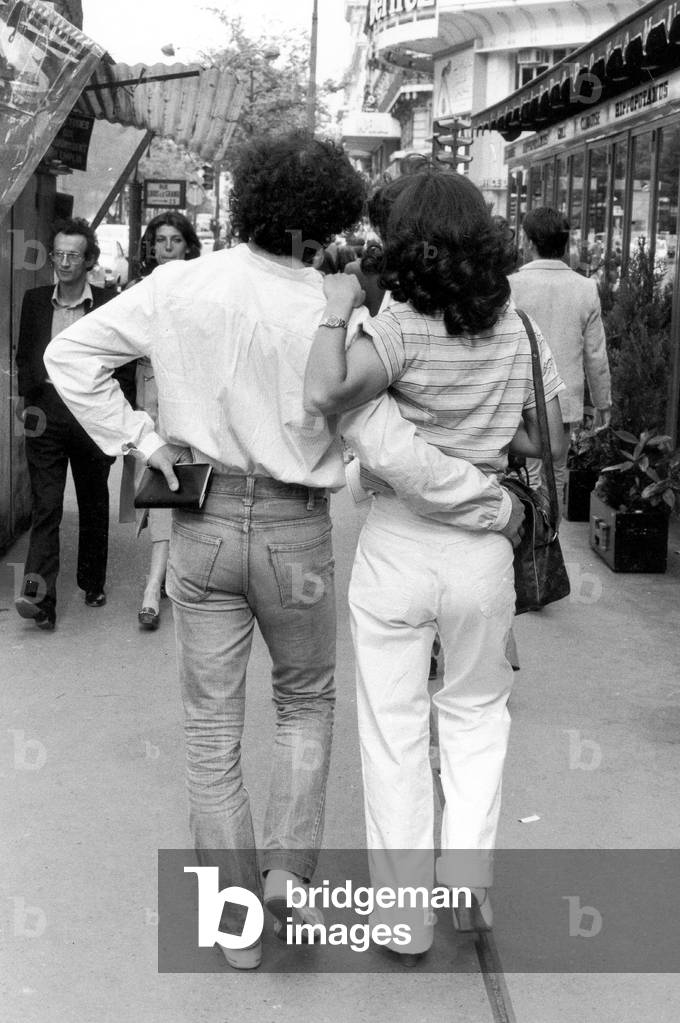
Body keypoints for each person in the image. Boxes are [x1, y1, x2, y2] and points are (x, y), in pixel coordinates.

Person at [44, 133, 524, 970]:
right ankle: (288, 882)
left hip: (201, 521)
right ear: (331, 217)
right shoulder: (338, 314)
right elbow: (380, 436)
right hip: (299, 526)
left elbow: (69, 354)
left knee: (208, 726)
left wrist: (143, 439)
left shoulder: (178, 284)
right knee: (304, 702)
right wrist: (489, 499)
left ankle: (235, 926)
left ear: (246, 201)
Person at [304, 170, 565, 959]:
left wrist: (335, 309)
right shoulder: (518, 329)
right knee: (478, 716)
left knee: (394, 727)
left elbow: (326, 392)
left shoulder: (400, 327)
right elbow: (547, 430)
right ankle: (468, 881)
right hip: (483, 550)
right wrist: (480, 430)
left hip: (399, 544)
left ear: (405, 240)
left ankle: (405, 916)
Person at [14, 217, 136, 631]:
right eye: (58, 254)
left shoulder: (106, 303)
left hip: (90, 412)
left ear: (89, 260)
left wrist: (118, 416)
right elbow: (24, 354)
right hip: (45, 411)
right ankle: (38, 597)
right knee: (46, 505)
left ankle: (92, 581)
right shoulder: (34, 300)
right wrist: (29, 395)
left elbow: (124, 360)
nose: (63, 262)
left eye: (73, 255)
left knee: (92, 501)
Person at [129, 212, 201, 630]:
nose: (168, 247)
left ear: (188, 246)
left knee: (184, 488)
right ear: (151, 247)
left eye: (176, 240)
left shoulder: (201, 289)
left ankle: (159, 585)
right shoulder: (140, 291)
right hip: (151, 401)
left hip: (192, 400)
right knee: (163, 488)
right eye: (161, 240)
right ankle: (158, 584)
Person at [510, 207, 612, 494]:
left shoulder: (511, 286)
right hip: (563, 401)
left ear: (528, 242)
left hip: (518, 399)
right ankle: (551, 535)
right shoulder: (585, 288)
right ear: (565, 244)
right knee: (556, 478)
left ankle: (530, 535)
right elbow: (595, 354)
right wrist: (602, 403)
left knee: (524, 480)